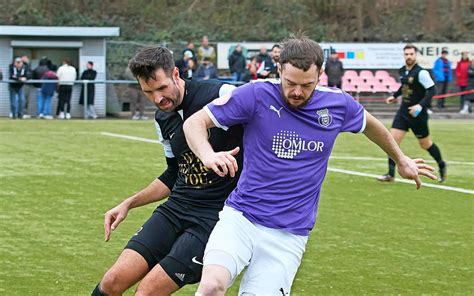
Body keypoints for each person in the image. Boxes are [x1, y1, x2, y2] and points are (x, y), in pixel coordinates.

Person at [183, 37, 436, 295]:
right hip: (241, 218)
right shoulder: (255, 94)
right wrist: (208, 155)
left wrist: (401, 159)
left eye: (307, 85)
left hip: (289, 234)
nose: (297, 92)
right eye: (290, 83)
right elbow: (194, 123)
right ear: (279, 69)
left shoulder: (338, 104)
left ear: (320, 74)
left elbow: (372, 126)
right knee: (212, 285)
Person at [91, 47, 243, 296]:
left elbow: (266, 112)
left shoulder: (220, 94)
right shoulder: (163, 119)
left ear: (175, 73)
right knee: (112, 281)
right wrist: (129, 203)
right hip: (176, 208)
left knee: (146, 292)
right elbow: (174, 174)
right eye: (148, 92)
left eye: (162, 88)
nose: (157, 98)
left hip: (215, 218)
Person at [378, 44, 447, 183]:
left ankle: (442, 164)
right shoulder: (402, 71)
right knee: (391, 141)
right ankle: (391, 175)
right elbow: (404, 86)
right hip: (403, 112)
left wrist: (420, 106)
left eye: (411, 54)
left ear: (415, 56)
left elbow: (432, 90)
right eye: (406, 54)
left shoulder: (421, 73)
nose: (409, 56)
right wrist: (395, 95)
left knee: (425, 144)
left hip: (417, 116)